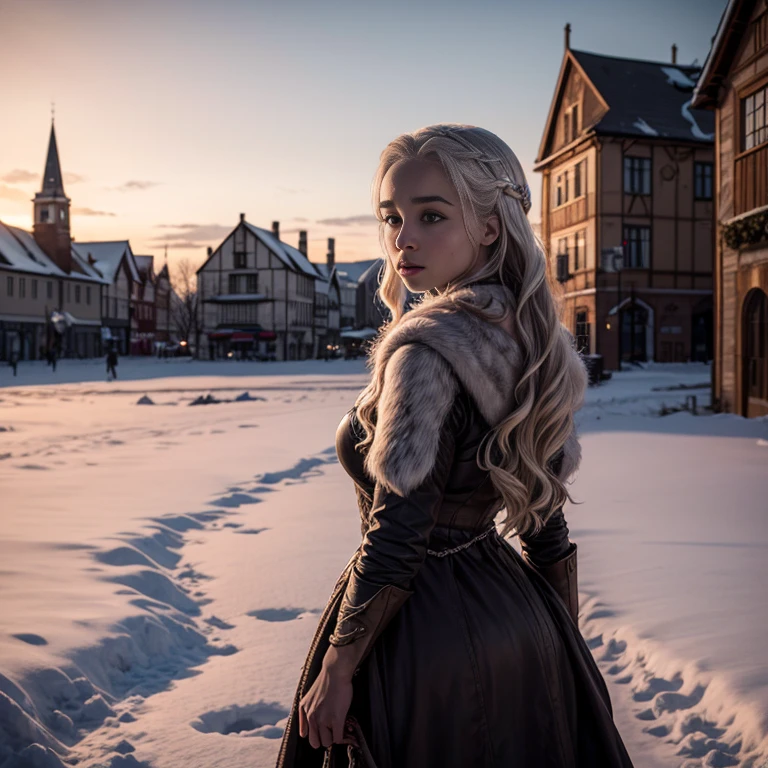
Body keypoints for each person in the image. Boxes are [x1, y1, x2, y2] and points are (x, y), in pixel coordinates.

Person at [275, 125, 635, 768]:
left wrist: (338, 664)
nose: (402, 238)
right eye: (392, 217)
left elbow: (396, 536)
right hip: (521, 621)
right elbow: (545, 520)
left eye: (431, 215)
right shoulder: (531, 341)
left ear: (491, 226)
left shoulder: (427, 351)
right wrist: (562, 641)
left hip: (423, 641)